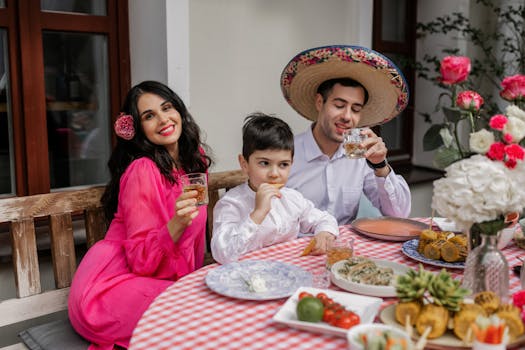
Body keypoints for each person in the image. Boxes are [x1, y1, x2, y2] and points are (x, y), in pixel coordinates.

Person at [68, 81, 212, 349]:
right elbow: (140, 261)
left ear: (179, 111)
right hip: (108, 287)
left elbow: (193, 242)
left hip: (154, 279)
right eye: (149, 116)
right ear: (139, 129)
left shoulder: (195, 161)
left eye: (167, 108)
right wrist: (177, 224)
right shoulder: (142, 170)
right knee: (198, 314)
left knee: (207, 305)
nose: (163, 119)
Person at [280, 45, 412, 225]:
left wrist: (380, 165)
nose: (347, 117)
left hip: (343, 250)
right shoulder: (286, 153)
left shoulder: (359, 154)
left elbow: (399, 215)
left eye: (356, 109)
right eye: (339, 105)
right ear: (320, 102)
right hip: (295, 248)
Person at [211, 112, 339, 264]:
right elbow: (223, 254)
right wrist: (257, 214)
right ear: (244, 164)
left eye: (283, 164)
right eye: (264, 163)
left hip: (288, 273)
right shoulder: (231, 204)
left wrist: (324, 232)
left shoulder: (292, 198)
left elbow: (324, 219)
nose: (274, 174)